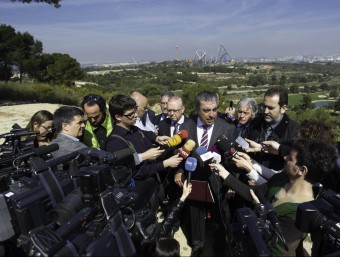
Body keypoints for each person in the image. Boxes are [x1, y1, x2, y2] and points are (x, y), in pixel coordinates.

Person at [209, 138, 337, 257]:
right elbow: (251, 193)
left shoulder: (301, 212)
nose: (285, 157)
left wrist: (260, 208)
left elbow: (273, 247)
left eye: (290, 158)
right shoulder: (281, 178)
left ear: (302, 170)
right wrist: (223, 173)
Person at [175, 91, 237, 257]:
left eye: (215, 109)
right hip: (194, 179)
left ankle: (222, 245)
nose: (212, 115)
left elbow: (232, 160)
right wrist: (179, 171)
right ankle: (197, 246)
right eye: (206, 110)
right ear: (197, 109)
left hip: (218, 181)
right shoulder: (186, 127)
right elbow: (181, 154)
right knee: (195, 213)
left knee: (220, 215)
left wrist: (232, 182)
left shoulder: (228, 128)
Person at [244, 87, 299, 170]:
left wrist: (281, 150)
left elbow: (299, 158)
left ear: (283, 108)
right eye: (264, 106)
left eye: (271, 108)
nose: (265, 111)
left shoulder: (294, 130)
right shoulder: (255, 123)